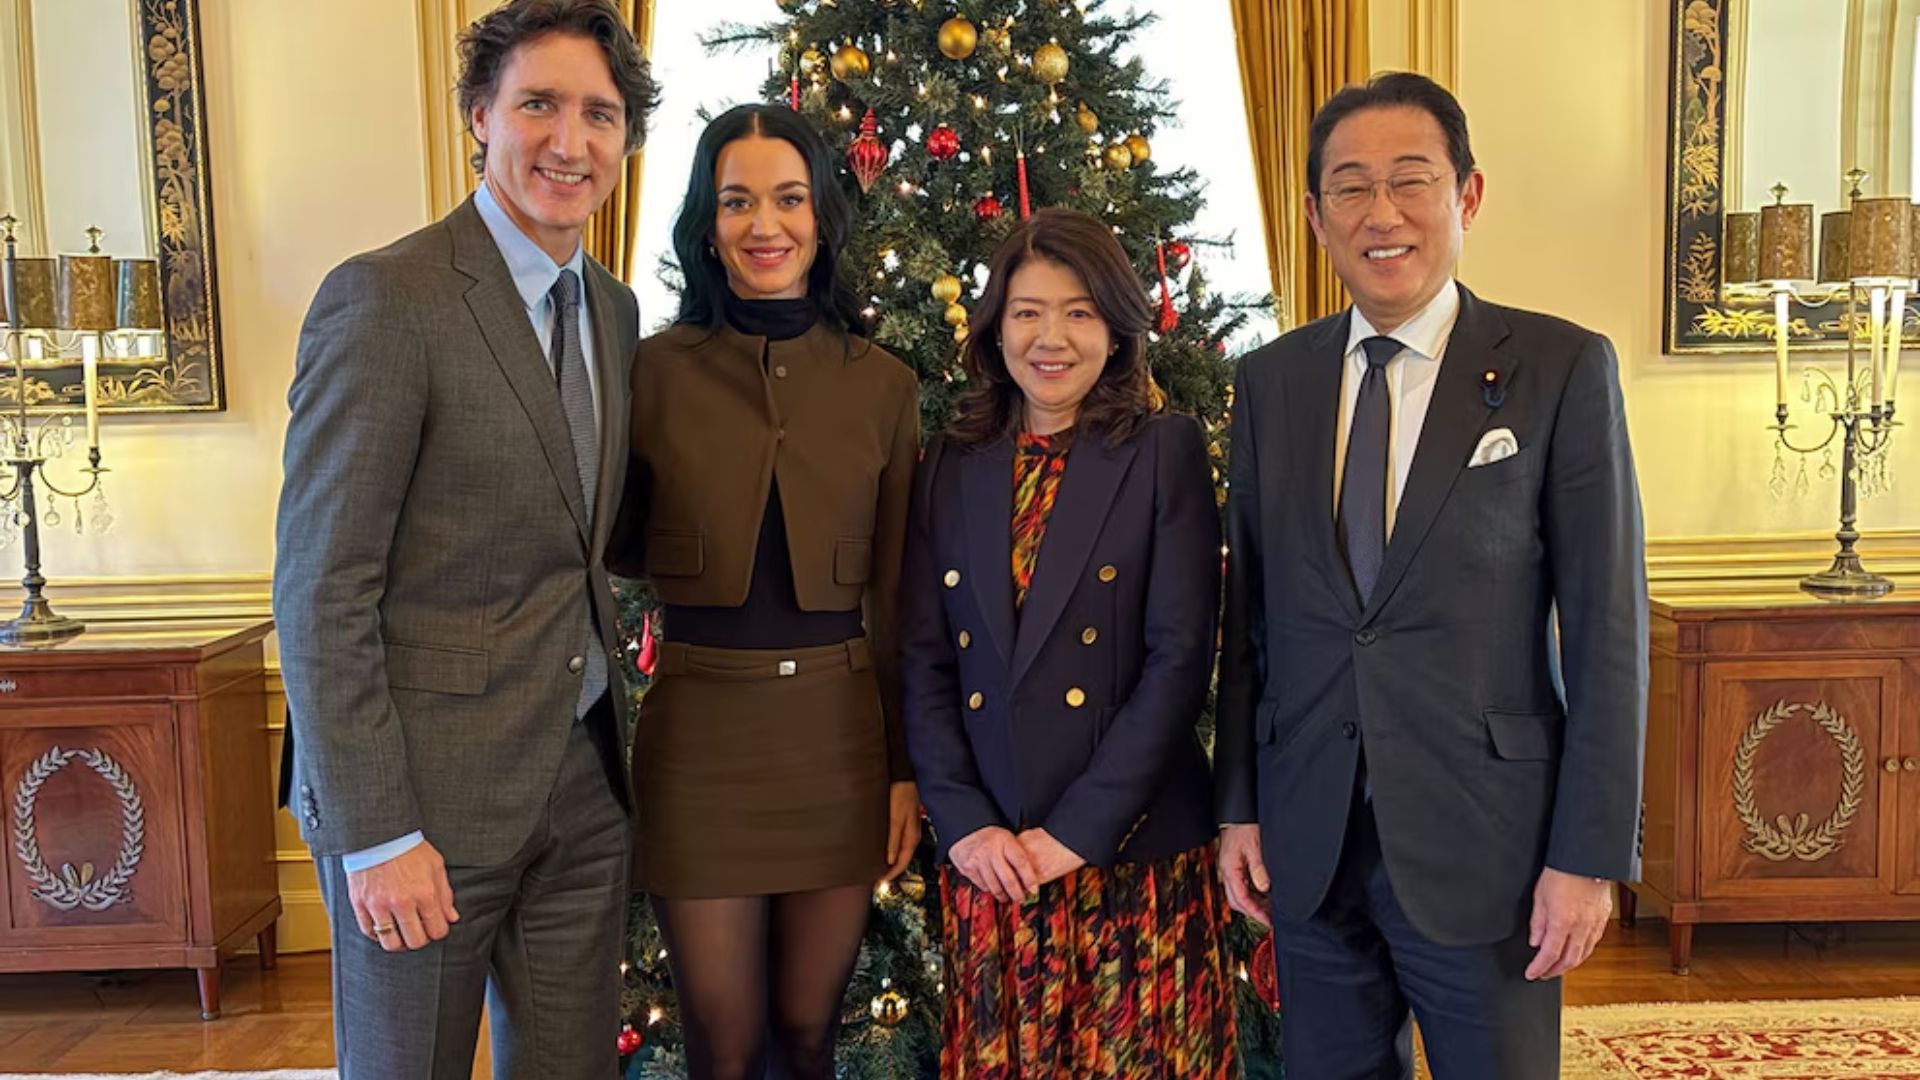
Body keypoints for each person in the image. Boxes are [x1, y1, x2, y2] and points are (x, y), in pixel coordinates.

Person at [1213, 71, 1649, 1079]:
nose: (1383, 213)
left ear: (1468, 197)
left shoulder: (1560, 369)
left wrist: (1587, 859)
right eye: (1350, 187)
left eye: (1411, 180)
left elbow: (1607, 633)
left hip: (1485, 848)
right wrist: (1240, 803)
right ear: (1315, 215)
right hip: (1309, 843)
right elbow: (1254, 621)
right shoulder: (1271, 383)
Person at [271, 2, 657, 1076]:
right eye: (538, 104)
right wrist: (379, 831)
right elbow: (320, 587)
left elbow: (590, 537)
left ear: (625, 140)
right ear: (480, 116)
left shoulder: (616, 315)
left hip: (583, 792)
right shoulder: (387, 299)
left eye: (600, 114)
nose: (569, 142)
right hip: (423, 806)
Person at [604, 103, 920, 1080]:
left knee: (806, 1036)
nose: (764, 224)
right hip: (699, 743)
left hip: (837, 742)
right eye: (737, 201)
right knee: (725, 1049)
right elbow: (610, 545)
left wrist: (902, 769)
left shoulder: (884, 385)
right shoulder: (649, 372)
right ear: (708, 222)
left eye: (788, 199)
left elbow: (900, 599)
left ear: (822, 216)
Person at [899, 208, 1236, 1079]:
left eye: (1079, 311)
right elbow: (927, 661)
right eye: (1027, 312)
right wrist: (966, 825)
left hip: (1129, 855)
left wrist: (1078, 833)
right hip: (996, 863)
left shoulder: (1164, 450)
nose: (1051, 337)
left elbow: (1178, 661)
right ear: (995, 327)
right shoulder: (952, 461)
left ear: (1117, 329)